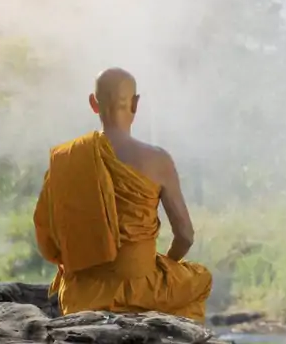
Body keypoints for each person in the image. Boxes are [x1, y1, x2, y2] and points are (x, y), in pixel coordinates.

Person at [33, 67, 212, 323]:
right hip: (143, 289)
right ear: (135, 104)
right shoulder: (158, 160)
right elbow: (185, 236)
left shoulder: (68, 159)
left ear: (93, 103)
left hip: (83, 294)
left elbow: (48, 242)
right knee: (201, 278)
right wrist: (162, 264)